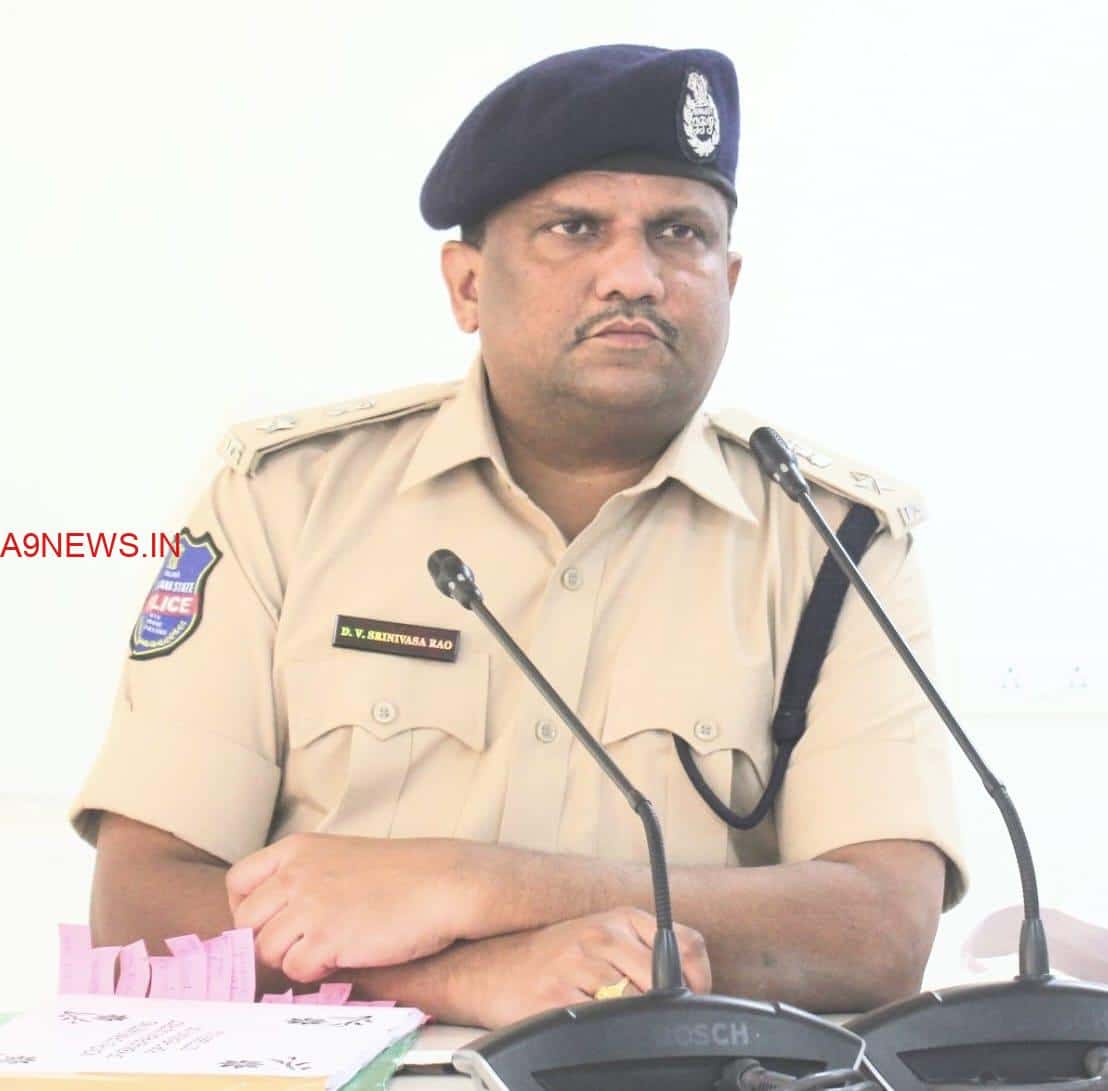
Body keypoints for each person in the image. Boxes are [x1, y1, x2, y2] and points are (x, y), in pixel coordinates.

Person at [70, 43, 967, 1030]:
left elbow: (879, 929)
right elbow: (139, 914)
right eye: (573, 229)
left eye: (679, 233)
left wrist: (473, 882)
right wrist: (458, 977)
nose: (633, 275)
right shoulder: (283, 502)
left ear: (730, 278)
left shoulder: (835, 543)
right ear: (465, 285)